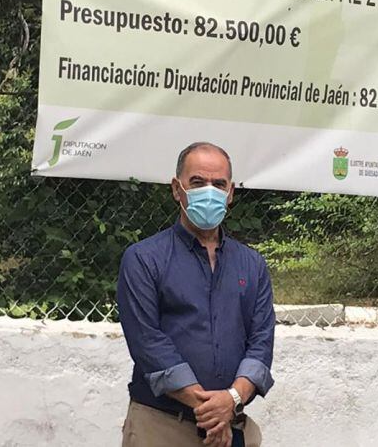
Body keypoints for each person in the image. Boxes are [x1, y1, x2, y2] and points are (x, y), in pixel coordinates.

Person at [117, 142, 275, 447]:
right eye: (198, 182)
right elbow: (148, 343)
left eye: (218, 184)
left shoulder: (252, 265)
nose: (209, 191)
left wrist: (231, 400)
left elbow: (261, 343)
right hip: (162, 428)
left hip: (232, 426)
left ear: (230, 194)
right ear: (177, 189)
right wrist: (212, 411)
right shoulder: (143, 259)